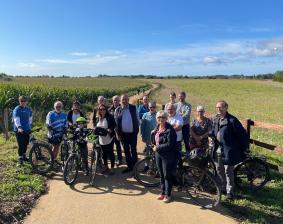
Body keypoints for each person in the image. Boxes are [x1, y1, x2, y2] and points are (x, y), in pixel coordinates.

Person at [211, 100, 248, 200]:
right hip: (218, 149)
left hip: (228, 150)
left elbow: (242, 135)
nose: (218, 109)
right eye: (217, 107)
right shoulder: (216, 119)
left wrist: (245, 148)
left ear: (226, 108)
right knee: (219, 169)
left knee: (228, 170)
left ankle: (230, 192)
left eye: (221, 107)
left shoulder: (232, 120)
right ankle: (222, 187)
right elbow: (213, 131)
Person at [151, 110, 177, 203]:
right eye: (158, 117)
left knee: (167, 175)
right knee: (161, 174)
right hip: (158, 154)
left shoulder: (170, 130)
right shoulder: (157, 127)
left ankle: (168, 194)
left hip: (167, 155)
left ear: (166, 118)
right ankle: (162, 192)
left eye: (162, 117)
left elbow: (170, 144)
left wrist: (157, 147)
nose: (160, 119)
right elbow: (155, 138)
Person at [114, 94, 139, 174]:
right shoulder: (117, 110)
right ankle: (129, 166)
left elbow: (138, 119)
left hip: (132, 134)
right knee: (126, 151)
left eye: (126, 99)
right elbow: (115, 124)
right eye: (122, 100)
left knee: (133, 150)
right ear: (120, 101)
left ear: (128, 100)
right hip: (123, 135)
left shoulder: (133, 108)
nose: (124, 101)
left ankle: (135, 167)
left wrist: (136, 130)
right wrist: (117, 134)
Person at [96, 104, 117, 174]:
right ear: (99, 110)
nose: (102, 111)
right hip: (101, 139)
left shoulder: (110, 116)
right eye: (100, 109)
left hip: (109, 138)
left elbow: (114, 125)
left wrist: (110, 129)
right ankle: (106, 167)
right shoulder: (98, 117)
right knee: (104, 154)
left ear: (106, 110)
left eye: (103, 109)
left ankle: (112, 168)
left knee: (111, 153)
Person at [46, 101, 68, 165]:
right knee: (55, 146)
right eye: (57, 106)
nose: (58, 108)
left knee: (57, 146)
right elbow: (48, 121)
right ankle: (51, 160)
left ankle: (54, 159)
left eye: (60, 106)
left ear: (62, 107)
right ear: (54, 107)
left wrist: (65, 128)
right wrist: (49, 126)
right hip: (53, 133)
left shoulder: (64, 114)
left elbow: (66, 122)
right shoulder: (51, 113)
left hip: (60, 133)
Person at [12, 96, 32, 165]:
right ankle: (20, 158)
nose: (23, 102)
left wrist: (30, 126)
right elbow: (16, 119)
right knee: (21, 145)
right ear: (19, 101)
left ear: (27, 102)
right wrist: (19, 127)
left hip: (27, 129)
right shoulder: (17, 109)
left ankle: (24, 156)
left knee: (26, 143)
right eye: (21, 101)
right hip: (19, 130)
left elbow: (30, 118)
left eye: (24, 101)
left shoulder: (28, 109)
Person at [108, 95, 123, 166]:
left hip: (119, 130)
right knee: (110, 146)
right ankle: (112, 159)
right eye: (114, 100)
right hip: (111, 131)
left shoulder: (122, 108)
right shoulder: (109, 109)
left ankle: (120, 159)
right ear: (112, 101)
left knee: (118, 146)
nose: (116, 101)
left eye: (117, 100)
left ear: (119, 101)